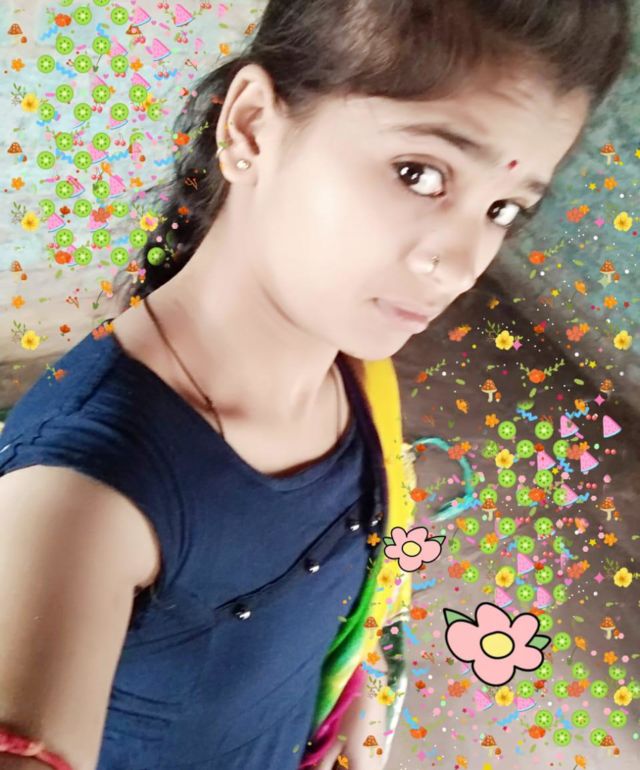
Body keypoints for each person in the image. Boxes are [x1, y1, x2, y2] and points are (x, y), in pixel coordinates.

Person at [0, 1, 632, 769]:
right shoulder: (80, 501)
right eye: (419, 173)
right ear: (251, 128)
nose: (462, 263)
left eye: (502, 208)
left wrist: (350, 714)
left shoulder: (353, 373)